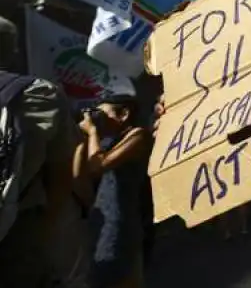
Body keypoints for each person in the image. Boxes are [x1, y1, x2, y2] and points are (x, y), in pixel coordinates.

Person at [0, 15, 81, 288]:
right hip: (17, 231)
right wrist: (46, 228)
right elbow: (61, 173)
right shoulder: (40, 95)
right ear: (12, 51)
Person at [80, 92, 150, 288]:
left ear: (124, 113)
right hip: (102, 222)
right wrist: (83, 138)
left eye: (103, 113)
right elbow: (79, 175)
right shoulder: (105, 143)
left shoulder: (137, 135)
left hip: (123, 223)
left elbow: (98, 166)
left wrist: (93, 133)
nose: (98, 120)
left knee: (120, 277)